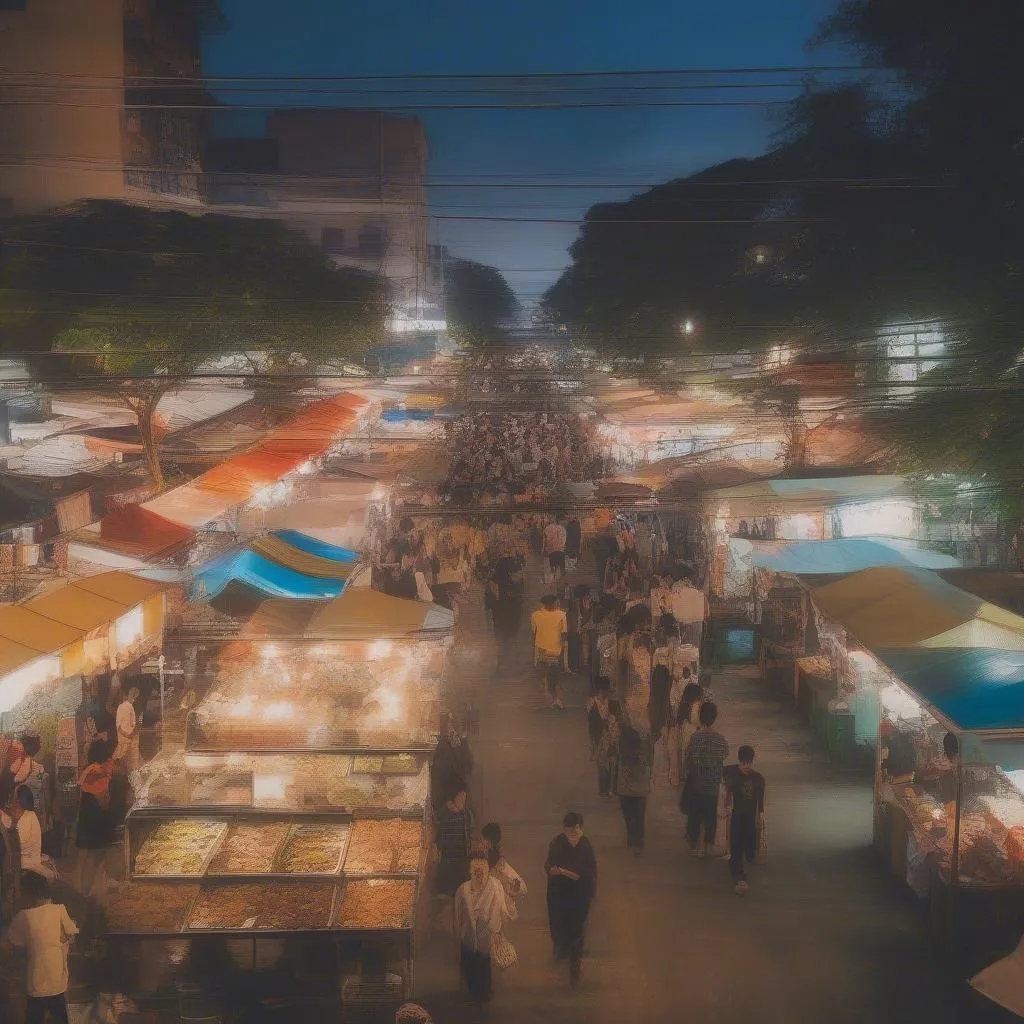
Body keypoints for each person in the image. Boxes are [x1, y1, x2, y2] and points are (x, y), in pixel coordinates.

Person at [0, 870, 78, 1024]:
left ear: (29, 892)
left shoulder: (23, 917)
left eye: (20, 892)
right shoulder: (60, 910)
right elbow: (71, 936)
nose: (18, 896)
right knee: (60, 1017)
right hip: (58, 984)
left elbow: (7, 948)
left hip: (36, 986)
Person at [545, 811, 597, 989]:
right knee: (559, 922)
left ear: (578, 828)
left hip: (579, 895)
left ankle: (574, 965)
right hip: (559, 892)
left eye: (572, 832)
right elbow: (549, 863)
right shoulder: (559, 841)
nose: (569, 836)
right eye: (566, 832)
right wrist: (553, 870)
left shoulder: (585, 846)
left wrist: (563, 871)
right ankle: (561, 947)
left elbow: (584, 873)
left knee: (576, 929)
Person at [454, 851, 506, 1004]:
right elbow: (457, 915)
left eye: (482, 867)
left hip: (487, 935)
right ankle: (471, 991)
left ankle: (484, 993)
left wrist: (499, 932)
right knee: (469, 965)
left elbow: (500, 910)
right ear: (469, 871)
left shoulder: (495, 886)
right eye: (475, 868)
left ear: (488, 869)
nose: (479, 871)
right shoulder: (463, 890)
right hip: (468, 937)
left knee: (484, 966)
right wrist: (460, 932)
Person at [683, 701, 729, 857]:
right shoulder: (720, 739)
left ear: (700, 717)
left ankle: (694, 846)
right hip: (713, 785)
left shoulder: (696, 738)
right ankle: (708, 845)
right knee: (710, 816)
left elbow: (688, 760)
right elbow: (725, 754)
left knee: (694, 815)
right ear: (714, 718)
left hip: (697, 784)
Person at [724, 745, 766, 894]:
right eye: (744, 763)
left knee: (749, 852)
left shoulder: (758, 779)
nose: (746, 767)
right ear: (739, 762)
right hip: (736, 818)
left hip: (750, 821)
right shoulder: (731, 773)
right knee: (736, 849)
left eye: (749, 763)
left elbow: (760, 805)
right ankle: (740, 880)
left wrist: (761, 821)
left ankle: (741, 870)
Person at [76, 740, 114, 900]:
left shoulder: (88, 769)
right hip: (95, 817)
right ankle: (88, 892)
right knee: (95, 855)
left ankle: (87, 890)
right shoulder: (98, 772)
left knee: (91, 856)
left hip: (86, 815)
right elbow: (102, 798)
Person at [616, 724, 653, 856]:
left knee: (631, 818)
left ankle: (634, 841)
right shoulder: (642, 760)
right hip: (638, 793)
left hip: (628, 793)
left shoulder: (623, 760)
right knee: (637, 818)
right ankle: (637, 842)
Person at [489, 543, 525, 676]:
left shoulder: (510, 562)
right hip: (508, 605)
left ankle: (505, 665)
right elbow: (494, 582)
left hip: (508, 605)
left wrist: (498, 597)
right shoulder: (505, 563)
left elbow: (493, 582)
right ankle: (506, 665)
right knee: (508, 636)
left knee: (505, 636)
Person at [433, 787, 474, 902]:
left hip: (462, 859)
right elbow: (436, 835)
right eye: (461, 797)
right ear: (452, 798)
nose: (463, 800)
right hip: (447, 859)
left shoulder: (466, 814)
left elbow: (468, 836)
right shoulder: (442, 814)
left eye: (465, 797)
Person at [481, 822, 527, 918]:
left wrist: (512, 884)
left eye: (484, 839)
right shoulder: (481, 854)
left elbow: (521, 887)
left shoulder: (496, 859)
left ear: (490, 841)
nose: (482, 841)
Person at [430, 713, 474, 814]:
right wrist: (447, 800)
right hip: (446, 802)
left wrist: (462, 793)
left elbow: (467, 769)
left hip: (458, 798)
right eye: (449, 725)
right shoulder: (443, 746)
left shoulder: (462, 744)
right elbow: (439, 776)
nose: (451, 729)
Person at [532, 595, 567, 710]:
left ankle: (543, 700)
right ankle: (558, 701)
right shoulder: (562, 615)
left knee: (542, 676)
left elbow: (534, 631)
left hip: (541, 653)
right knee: (556, 678)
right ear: (554, 603)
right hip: (556, 653)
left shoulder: (536, 615)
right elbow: (563, 634)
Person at [587, 677, 620, 797]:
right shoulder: (592, 704)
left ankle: (611, 789)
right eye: (605, 691)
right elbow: (592, 725)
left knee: (612, 763)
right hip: (599, 738)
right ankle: (604, 790)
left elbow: (616, 720)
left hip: (610, 737)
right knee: (602, 764)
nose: (606, 694)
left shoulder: (611, 703)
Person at [13, 787, 52, 880]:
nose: (13, 800)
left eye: (15, 797)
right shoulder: (27, 815)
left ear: (19, 800)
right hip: (26, 858)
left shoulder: (28, 817)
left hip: (27, 861)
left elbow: (22, 843)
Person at [113, 687, 141, 775]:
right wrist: (128, 735)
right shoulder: (122, 707)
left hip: (130, 741)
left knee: (132, 767)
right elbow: (119, 727)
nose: (134, 699)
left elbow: (133, 724)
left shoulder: (130, 706)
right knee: (124, 766)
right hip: (124, 741)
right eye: (134, 696)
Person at [542, 516, 568, 585]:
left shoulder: (546, 529)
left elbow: (546, 541)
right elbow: (564, 539)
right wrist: (561, 546)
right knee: (561, 568)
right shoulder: (562, 528)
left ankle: (553, 582)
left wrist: (545, 549)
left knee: (552, 567)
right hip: (560, 550)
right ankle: (562, 582)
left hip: (551, 551)